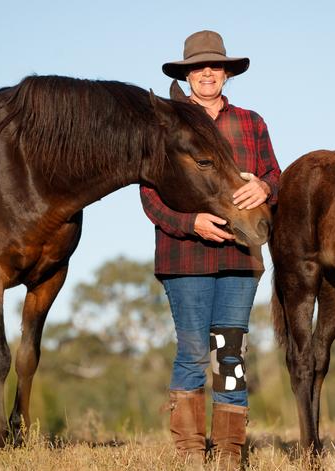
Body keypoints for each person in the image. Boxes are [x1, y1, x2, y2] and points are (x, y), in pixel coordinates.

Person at [140, 30, 280, 468]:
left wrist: (265, 186)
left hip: (241, 258)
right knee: (194, 352)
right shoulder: (167, 125)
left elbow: (275, 175)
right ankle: (189, 453)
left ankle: (229, 454)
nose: (206, 73)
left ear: (226, 73)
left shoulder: (251, 122)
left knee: (231, 351)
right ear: (187, 73)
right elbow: (149, 196)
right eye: (198, 67)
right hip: (185, 259)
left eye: (214, 66)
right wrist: (191, 222)